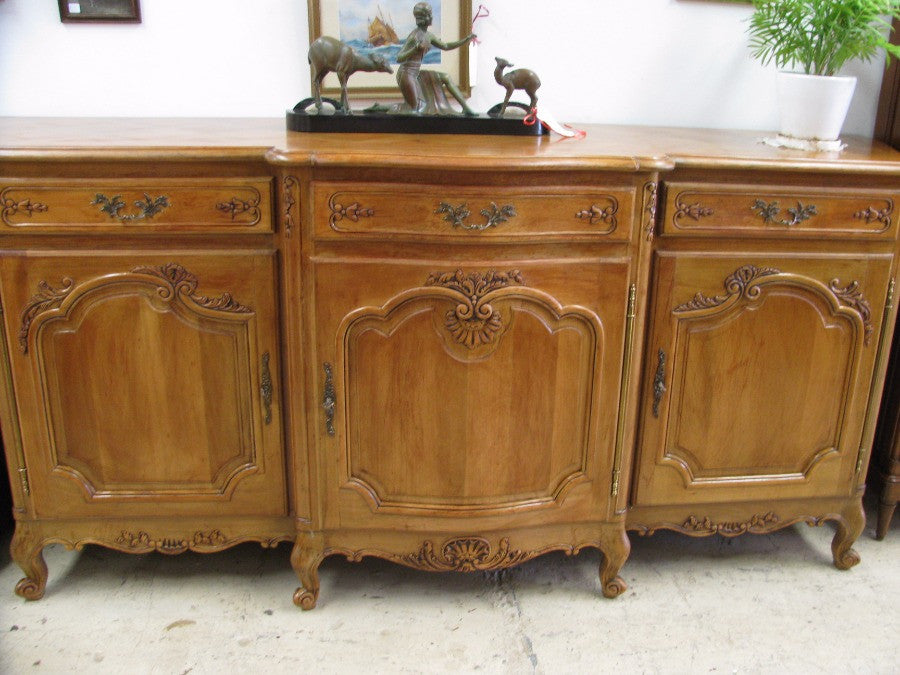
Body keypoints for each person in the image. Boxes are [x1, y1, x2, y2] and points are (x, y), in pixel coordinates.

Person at [395, 2, 476, 115]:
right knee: (415, 110)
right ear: (424, 18)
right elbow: (399, 58)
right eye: (430, 14)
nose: (432, 17)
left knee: (446, 77)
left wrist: (465, 40)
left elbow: (446, 46)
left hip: (417, 74)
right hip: (406, 75)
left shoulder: (429, 36)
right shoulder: (414, 36)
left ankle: (466, 108)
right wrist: (415, 48)